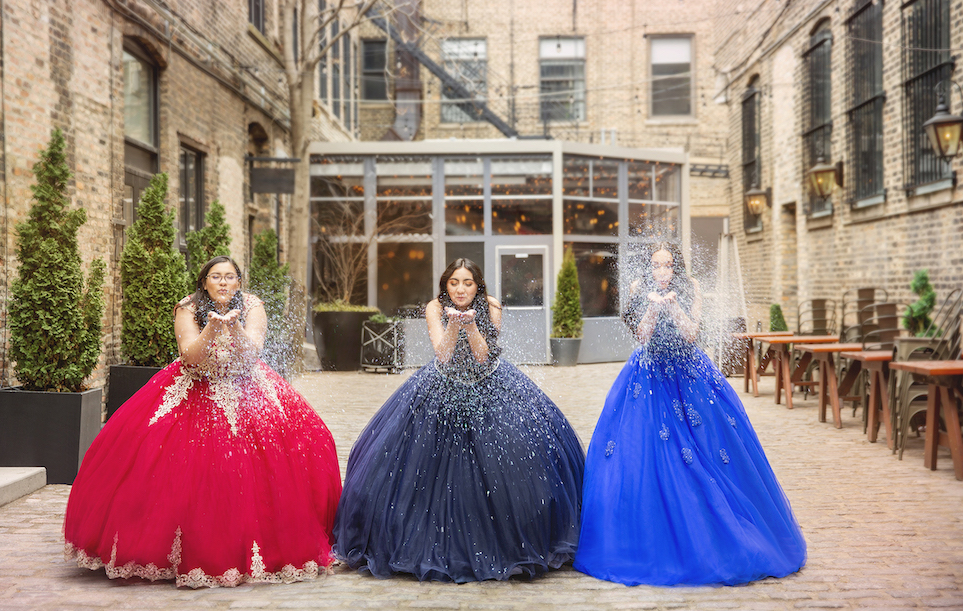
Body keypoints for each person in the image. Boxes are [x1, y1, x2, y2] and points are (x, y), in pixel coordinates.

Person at [64, 256, 342, 588]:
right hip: (195, 385)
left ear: (239, 282)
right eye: (216, 277)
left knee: (304, 440)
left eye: (229, 277)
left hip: (246, 384)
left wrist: (234, 326)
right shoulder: (187, 307)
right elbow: (189, 355)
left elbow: (251, 353)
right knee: (167, 461)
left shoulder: (253, 306)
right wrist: (212, 327)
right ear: (205, 282)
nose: (223, 282)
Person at [333, 258, 585, 583]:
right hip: (441, 386)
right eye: (454, 283)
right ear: (445, 285)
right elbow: (444, 354)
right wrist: (453, 325)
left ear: (477, 285)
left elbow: (483, 355)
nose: (461, 289)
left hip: (489, 384)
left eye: (467, 282)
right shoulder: (434, 307)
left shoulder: (491, 305)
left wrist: (470, 325)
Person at [573, 242, 806, 586]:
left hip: (689, 373)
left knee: (709, 453)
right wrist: (653, 309)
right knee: (646, 454)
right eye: (656, 265)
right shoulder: (640, 289)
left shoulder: (690, 288)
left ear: (676, 268)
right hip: (649, 376)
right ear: (649, 268)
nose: (662, 272)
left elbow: (691, 333)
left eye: (668, 265)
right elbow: (642, 336)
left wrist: (675, 306)